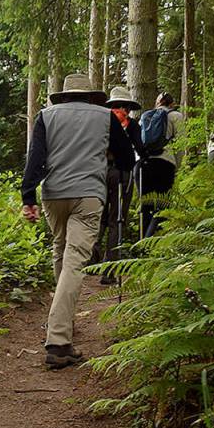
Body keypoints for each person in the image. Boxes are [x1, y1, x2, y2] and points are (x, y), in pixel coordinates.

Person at [21, 74, 135, 369]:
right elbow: (126, 159)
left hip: (53, 195)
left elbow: (35, 158)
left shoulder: (46, 116)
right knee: (74, 261)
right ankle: (59, 341)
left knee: (61, 251)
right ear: (90, 96)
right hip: (88, 195)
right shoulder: (105, 116)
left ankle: (63, 322)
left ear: (64, 95)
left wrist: (28, 196)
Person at [93, 86, 143, 285]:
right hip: (122, 174)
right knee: (117, 219)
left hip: (101, 172)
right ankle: (109, 270)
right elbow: (140, 149)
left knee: (101, 216)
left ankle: (91, 258)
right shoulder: (132, 125)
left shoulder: (101, 121)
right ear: (127, 107)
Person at [138, 92, 184, 237]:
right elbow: (181, 144)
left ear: (157, 103)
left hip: (143, 164)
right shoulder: (176, 116)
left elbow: (138, 142)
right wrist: (177, 166)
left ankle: (141, 242)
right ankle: (149, 242)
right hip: (165, 163)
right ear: (172, 104)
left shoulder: (145, 116)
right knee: (162, 206)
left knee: (145, 206)